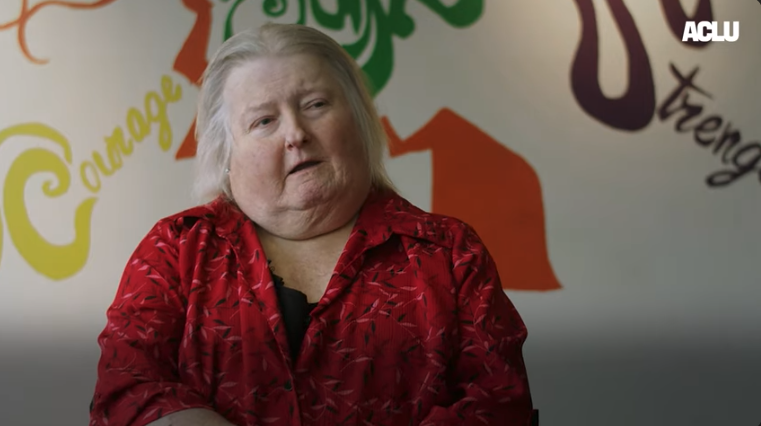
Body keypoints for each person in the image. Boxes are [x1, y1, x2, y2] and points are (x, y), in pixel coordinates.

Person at [89, 23, 534, 426]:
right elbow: (126, 389)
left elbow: (499, 403)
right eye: (264, 120)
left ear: (359, 120)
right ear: (226, 156)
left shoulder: (450, 253)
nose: (295, 133)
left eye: (316, 104)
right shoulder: (176, 249)